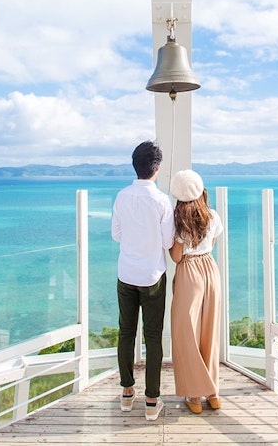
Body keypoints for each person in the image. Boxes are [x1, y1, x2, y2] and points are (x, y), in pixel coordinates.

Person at [111, 140, 175, 420]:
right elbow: (168, 241)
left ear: (135, 166)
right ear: (157, 168)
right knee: (153, 336)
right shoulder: (161, 200)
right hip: (152, 277)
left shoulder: (122, 196)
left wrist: (135, 239)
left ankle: (127, 393)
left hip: (126, 273)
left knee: (126, 332)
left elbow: (116, 234)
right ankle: (151, 400)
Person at [168, 169, 224, 414]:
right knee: (209, 332)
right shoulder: (212, 216)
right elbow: (210, 245)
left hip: (189, 271)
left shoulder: (179, 220)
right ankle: (213, 394)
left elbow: (177, 257)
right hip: (211, 270)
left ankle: (194, 395)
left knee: (186, 333)